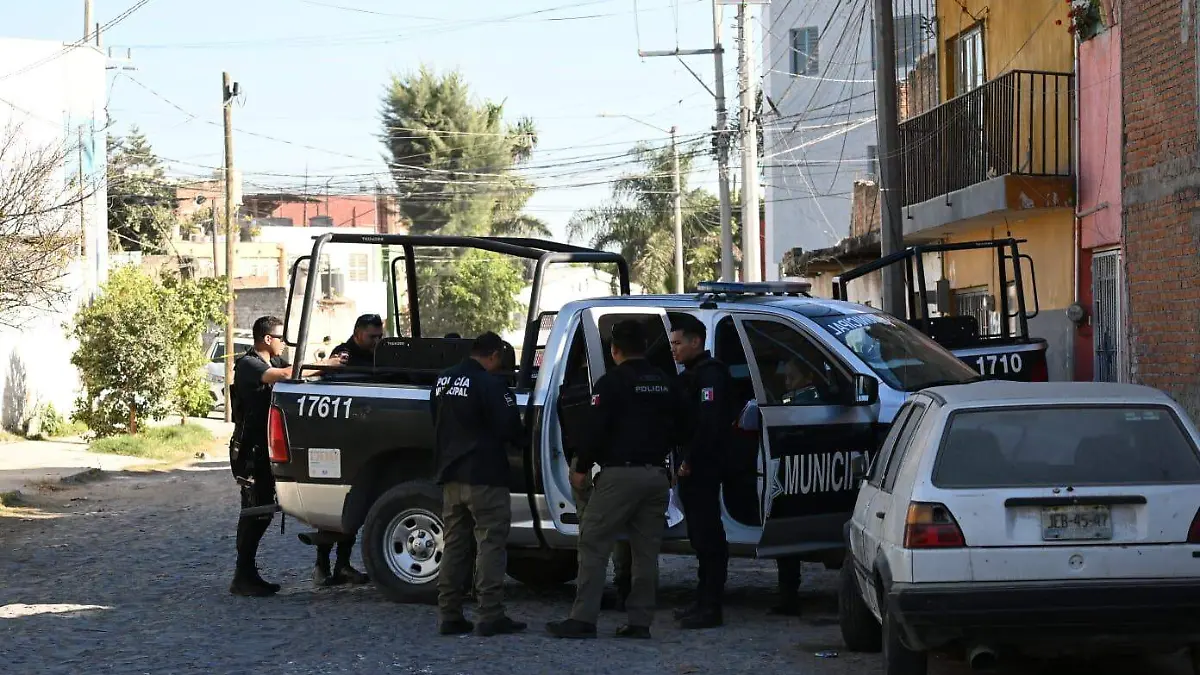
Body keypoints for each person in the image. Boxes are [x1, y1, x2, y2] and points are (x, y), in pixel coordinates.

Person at [546, 320, 680, 639]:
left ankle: (582, 619)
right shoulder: (664, 381)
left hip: (620, 475)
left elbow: (595, 430)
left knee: (593, 542)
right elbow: (684, 425)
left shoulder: (611, 383)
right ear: (644, 347)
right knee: (646, 554)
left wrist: (580, 467)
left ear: (614, 350)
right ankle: (639, 622)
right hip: (656, 474)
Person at [228, 316, 338, 596]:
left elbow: (295, 372)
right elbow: (287, 375)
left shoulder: (271, 362)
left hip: (264, 449)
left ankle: (246, 573)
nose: (283, 344)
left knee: (262, 511)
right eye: (280, 338)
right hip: (250, 450)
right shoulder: (249, 365)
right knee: (254, 510)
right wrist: (327, 366)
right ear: (267, 339)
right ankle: (243, 575)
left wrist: (325, 368)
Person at [430, 332, 527, 637]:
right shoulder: (492, 384)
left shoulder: (443, 380)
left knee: (455, 545)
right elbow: (510, 428)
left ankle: (449, 614)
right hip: (485, 476)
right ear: (495, 354)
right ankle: (490, 614)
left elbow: (435, 419)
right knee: (490, 544)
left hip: (451, 476)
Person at [304, 314, 385, 588]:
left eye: (379, 336)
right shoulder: (344, 355)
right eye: (372, 336)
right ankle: (322, 566)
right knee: (335, 511)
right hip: (338, 440)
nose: (377, 341)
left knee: (356, 507)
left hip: (362, 439)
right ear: (358, 333)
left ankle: (343, 565)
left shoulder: (378, 355)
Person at [668, 314, 737, 629]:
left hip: (704, 464)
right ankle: (702, 601)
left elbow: (708, 424)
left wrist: (689, 459)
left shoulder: (710, 375)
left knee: (709, 537)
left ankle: (711, 607)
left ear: (697, 341)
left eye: (678, 343)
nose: (674, 349)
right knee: (699, 536)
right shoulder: (692, 374)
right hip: (694, 461)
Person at [571, 453, 633, 611]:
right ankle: (628, 591)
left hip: (601, 461)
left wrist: (581, 465)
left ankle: (588, 600)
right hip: (624, 461)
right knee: (624, 528)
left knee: (591, 534)